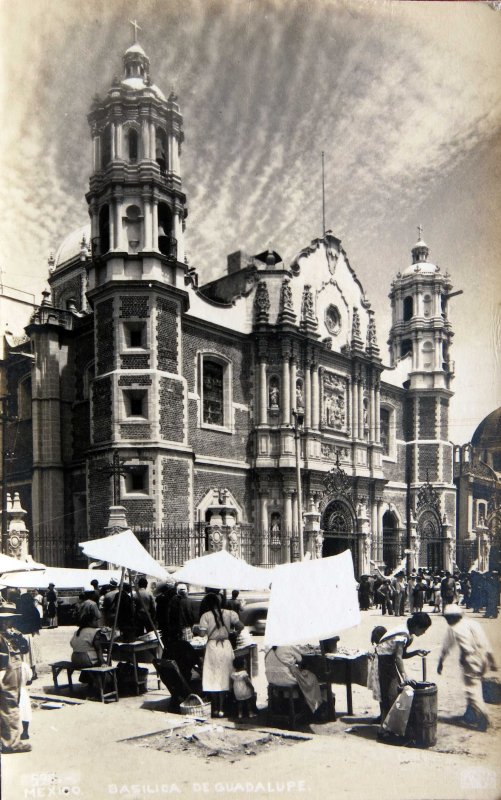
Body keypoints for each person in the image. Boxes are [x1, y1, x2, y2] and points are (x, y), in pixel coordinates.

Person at [437, 604, 497, 731]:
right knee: (477, 686)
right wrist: (492, 661)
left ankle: (483, 717)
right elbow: (485, 642)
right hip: (483, 658)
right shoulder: (473, 624)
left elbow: (446, 647)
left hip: (470, 660)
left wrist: (440, 662)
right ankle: (470, 715)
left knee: (472, 691)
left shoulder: (454, 628)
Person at [375, 612, 432, 725]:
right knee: (390, 694)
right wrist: (405, 676)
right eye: (424, 630)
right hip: (382, 661)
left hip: (388, 660)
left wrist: (416, 652)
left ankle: (385, 720)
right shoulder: (403, 635)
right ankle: (385, 727)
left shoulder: (407, 634)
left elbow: (401, 655)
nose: (424, 632)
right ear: (417, 627)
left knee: (389, 692)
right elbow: (398, 657)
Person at [199, 592, 243, 717]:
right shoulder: (230, 613)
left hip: (212, 647)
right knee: (224, 676)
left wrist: (197, 629)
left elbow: (202, 635)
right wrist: (234, 633)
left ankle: (215, 708)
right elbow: (241, 626)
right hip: (226, 646)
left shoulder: (205, 616)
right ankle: (222, 709)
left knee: (212, 677)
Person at [0, 610, 31, 753]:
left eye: (10, 619)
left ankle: (8, 739)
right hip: (5, 671)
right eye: (4, 620)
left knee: (13, 703)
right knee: (9, 705)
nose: (7, 623)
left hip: (15, 670)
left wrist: (18, 638)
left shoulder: (14, 634)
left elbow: (25, 649)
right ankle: (10, 743)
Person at [264, 644, 324, 717]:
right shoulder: (288, 646)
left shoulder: (269, 650)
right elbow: (300, 659)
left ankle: (291, 706)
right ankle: (314, 707)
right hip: (286, 680)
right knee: (312, 677)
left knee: (298, 675)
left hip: (271, 680)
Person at [15, 590, 43, 680]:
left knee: (23, 656)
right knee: (31, 656)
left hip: (20, 635)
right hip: (30, 635)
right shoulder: (34, 610)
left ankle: (24, 675)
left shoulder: (19, 610)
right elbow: (37, 625)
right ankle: (33, 673)